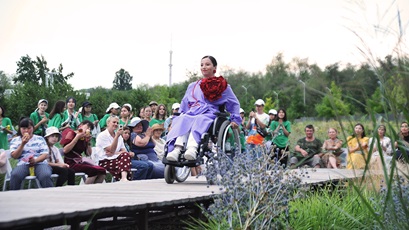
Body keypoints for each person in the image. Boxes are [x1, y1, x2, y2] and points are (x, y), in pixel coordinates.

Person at [166, 55, 241, 161]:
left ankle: (192, 148)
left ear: (214, 68)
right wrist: (177, 117)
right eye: (202, 65)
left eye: (207, 64)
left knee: (199, 119)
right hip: (193, 111)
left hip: (210, 113)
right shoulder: (193, 86)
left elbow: (234, 103)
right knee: (183, 118)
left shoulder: (222, 85)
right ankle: (177, 149)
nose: (204, 67)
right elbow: (184, 103)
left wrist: (235, 119)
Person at [9, 118, 53, 190]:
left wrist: (35, 160)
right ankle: (14, 196)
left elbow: (45, 154)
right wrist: (23, 144)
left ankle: (50, 196)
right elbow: (14, 156)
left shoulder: (40, 139)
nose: (26, 130)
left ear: (33, 128)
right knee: (15, 175)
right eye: (24, 128)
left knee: (45, 175)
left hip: (40, 163)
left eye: (29, 128)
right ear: (20, 129)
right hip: (23, 163)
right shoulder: (15, 140)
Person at [96, 116, 132, 182]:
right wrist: (116, 137)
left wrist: (115, 153)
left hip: (118, 159)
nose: (116, 124)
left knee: (125, 156)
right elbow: (111, 149)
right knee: (125, 163)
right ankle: (124, 178)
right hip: (105, 160)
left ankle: (123, 178)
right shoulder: (102, 135)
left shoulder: (119, 136)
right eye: (114, 122)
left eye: (117, 123)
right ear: (108, 123)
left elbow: (124, 151)